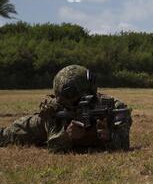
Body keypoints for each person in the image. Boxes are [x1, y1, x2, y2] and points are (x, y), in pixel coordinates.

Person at [0, 65, 132, 152]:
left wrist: (109, 137)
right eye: (70, 105)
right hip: (39, 128)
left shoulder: (114, 108)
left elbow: (124, 144)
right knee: (8, 135)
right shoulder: (55, 111)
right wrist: (66, 137)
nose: (78, 109)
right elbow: (54, 149)